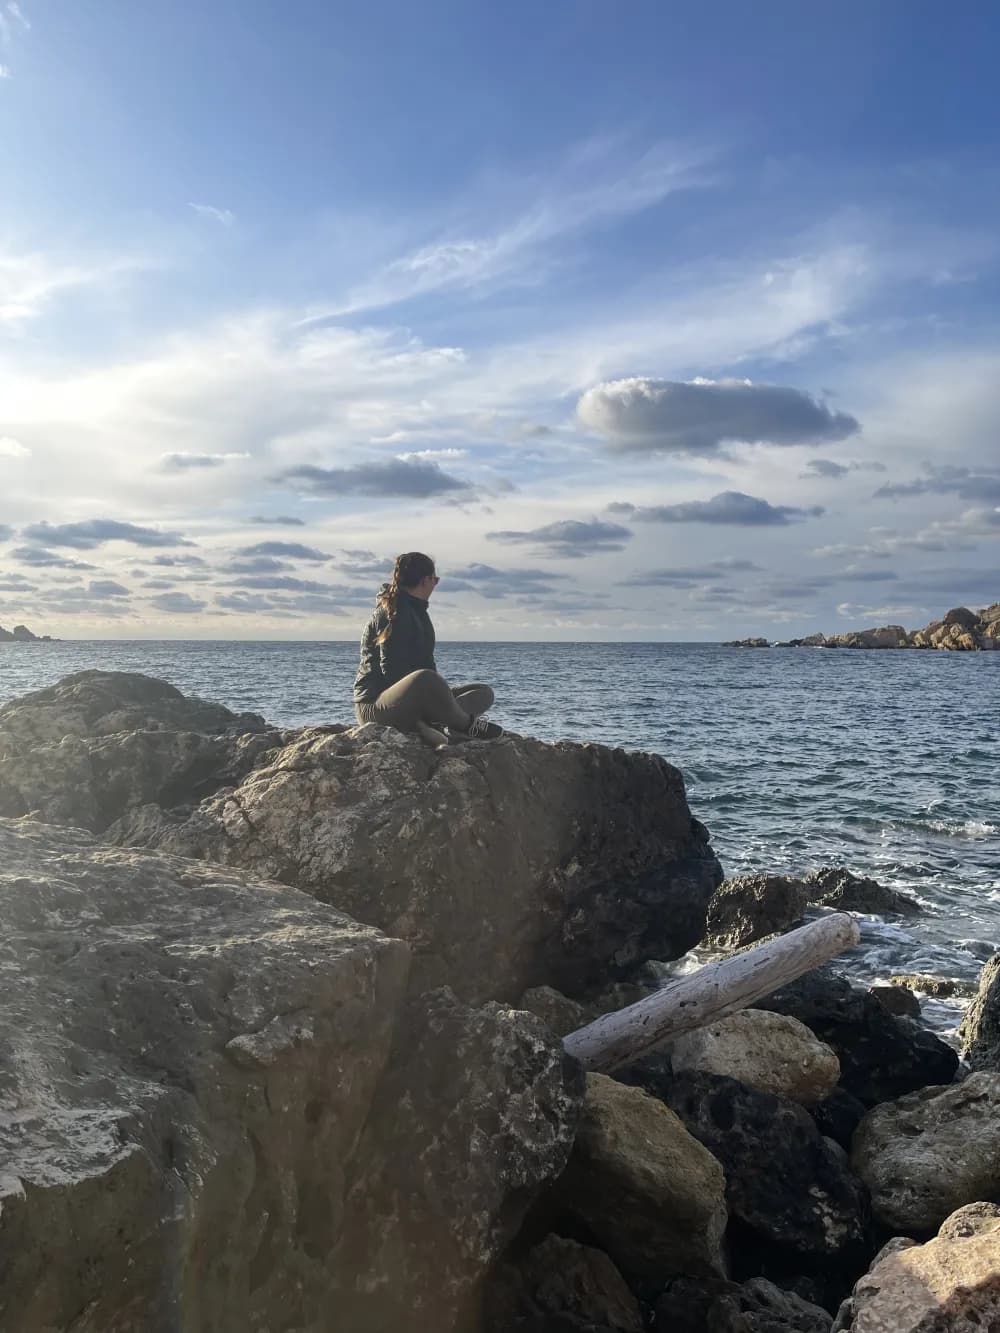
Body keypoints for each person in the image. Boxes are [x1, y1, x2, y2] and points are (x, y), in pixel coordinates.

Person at [354, 551, 503, 747]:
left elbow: (427, 662)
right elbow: (392, 671)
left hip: (411, 702)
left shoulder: (418, 612)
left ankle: (431, 725)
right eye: (435, 579)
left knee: (483, 692)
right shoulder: (393, 612)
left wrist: (438, 699)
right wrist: (428, 700)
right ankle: (465, 725)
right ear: (426, 580)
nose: (436, 585)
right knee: (426, 677)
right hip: (377, 706)